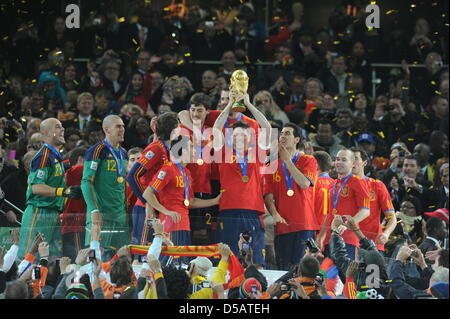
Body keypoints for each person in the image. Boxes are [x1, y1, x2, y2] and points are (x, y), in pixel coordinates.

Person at [212, 91, 272, 268]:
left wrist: (248, 103)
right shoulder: (223, 153)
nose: (240, 138)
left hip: (252, 212)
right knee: (227, 260)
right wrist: (230, 104)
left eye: (244, 135)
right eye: (236, 135)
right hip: (228, 210)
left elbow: (267, 128)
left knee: (255, 261)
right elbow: (216, 129)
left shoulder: (257, 154)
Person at [142, 137, 222, 251]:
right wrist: (165, 211)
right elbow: (147, 194)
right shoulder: (168, 169)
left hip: (184, 224)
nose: (194, 150)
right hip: (170, 225)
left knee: (182, 264)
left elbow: (190, 201)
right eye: (191, 147)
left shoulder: (186, 173)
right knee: (171, 263)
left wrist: (215, 201)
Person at [18, 118, 82, 258]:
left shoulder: (55, 156)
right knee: (30, 258)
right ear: (46, 132)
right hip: (39, 212)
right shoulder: (43, 156)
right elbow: (36, 187)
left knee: (51, 259)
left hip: (53, 213)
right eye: (58, 127)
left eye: (62, 126)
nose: (63, 129)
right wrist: (63, 192)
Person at [264, 123, 318, 270]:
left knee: (302, 270)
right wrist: (274, 214)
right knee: (283, 269)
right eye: (281, 133)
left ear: (297, 140)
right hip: (283, 225)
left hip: (304, 224)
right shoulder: (271, 163)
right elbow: (267, 194)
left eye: (287, 133)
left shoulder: (308, 160)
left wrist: (287, 160)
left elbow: (304, 184)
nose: (282, 136)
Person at [127, 112, 179, 249]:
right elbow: (132, 176)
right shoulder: (157, 148)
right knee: (144, 254)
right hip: (146, 208)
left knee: (156, 251)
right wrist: (147, 202)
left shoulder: (164, 148)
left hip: (155, 207)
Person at [81, 115, 129, 259]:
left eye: (123, 126)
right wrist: (94, 209)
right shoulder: (97, 151)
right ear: (106, 129)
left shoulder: (124, 153)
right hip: (101, 215)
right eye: (118, 126)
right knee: (97, 258)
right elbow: (86, 182)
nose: (122, 129)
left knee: (122, 260)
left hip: (119, 216)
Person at [317, 148, 371, 260]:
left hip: (348, 238)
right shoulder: (332, 185)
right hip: (330, 238)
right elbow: (329, 214)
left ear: (352, 163)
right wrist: (321, 237)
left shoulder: (358, 182)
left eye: (344, 160)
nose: (339, 162)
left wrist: (346, 225)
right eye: (337, 159)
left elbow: (365, 211)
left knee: (346, 275)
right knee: (328, 275)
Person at [350, 147, 397, 254]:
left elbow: (391, 217)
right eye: (349, 159)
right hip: (347, 243)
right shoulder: (338, 186)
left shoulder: (377, 186)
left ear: (364, 163)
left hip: (372, 245)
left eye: (355, 158)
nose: (352, 162)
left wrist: (386, 234)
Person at [60, 147, 87, 262]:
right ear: (81, 159)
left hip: (76, 225)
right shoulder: (77, 170)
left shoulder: (70, 173)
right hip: (75, 225)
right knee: (78, 261)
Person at [312, 151, 334, 235]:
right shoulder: (336, 183)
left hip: (314, 228)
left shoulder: (312, 183)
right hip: (330, 230)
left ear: (316, 165)